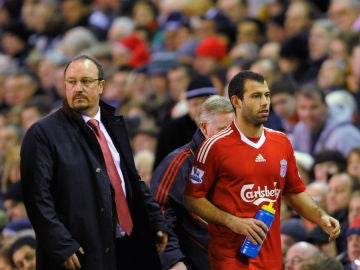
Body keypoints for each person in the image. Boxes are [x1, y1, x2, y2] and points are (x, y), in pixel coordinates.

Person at [20, 55, 169, 270]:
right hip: (81, 252)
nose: (77, 88)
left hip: (127, 245)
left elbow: (131, 179)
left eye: (85, 81)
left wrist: (155, 220)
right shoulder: (42, 133)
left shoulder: (113, 123)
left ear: (101, 86)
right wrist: (60, 243)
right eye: (71, 82)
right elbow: (37, 198)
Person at [183, 71, 341, 269]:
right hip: (230, 259)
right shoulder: (214, 146)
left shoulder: (281, 142)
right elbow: (193, 199)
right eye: (256, 96)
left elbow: (293, 191)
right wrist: (234, 222)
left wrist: (320, 217)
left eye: (266, 95)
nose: (265, 102)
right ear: (237, 101)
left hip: (270, 258)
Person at [150, 95, 234, 270]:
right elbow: (160, 216)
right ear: (204, 127)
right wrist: (173, 260)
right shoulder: (178, 164)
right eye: (223, 129)